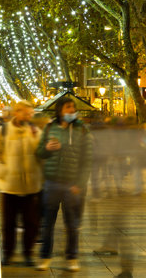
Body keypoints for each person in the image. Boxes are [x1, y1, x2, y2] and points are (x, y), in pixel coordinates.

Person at [35, 96, 93, 272]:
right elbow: (38, 152)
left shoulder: (82, 130)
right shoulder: (49, 127)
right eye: (68, 107)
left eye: (73, 108)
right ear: (60, 110)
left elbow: (87, 160)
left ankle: (72, 257)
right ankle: (45, 256)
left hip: (71, 185)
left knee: (72, 224)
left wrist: (80, 184)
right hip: (51, 183)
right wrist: (47, 149)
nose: (71, 111)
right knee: (47, 224)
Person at [0, 100, 43, 267]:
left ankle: (28, 254)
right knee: (8, 224)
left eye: (30, 113)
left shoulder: (34, 131)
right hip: (9, 187)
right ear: (17, 112)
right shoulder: (2, 131)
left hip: (31, 186)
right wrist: (3, 173)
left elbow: (42, 155)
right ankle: (8, 254)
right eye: (26, 113)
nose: (29, 116)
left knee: (31, 224)